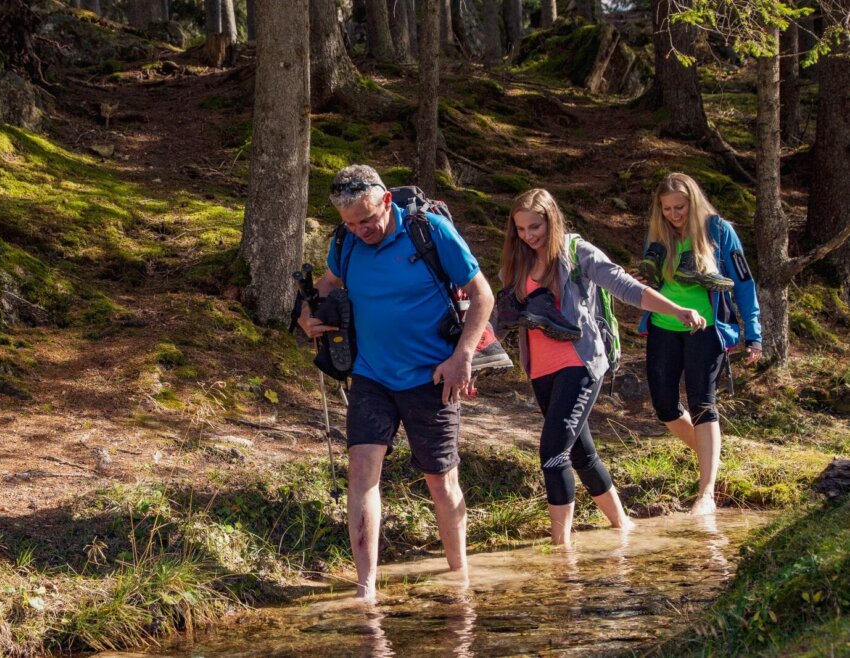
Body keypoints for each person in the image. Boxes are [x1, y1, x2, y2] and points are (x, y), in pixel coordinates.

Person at [297, 164, 497, 601]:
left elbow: (482, 293)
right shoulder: (345, 242)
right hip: (370, 376)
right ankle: (365, 587)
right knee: (362, 470)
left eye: (367, 220)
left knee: (440, 479)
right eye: (350, 223)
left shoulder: (431, 232)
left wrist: (462, 357)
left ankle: (459, 576)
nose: (361, 230)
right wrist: (309, 315)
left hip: (432, 376)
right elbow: (327, 285)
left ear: (386, 201)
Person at [494, 188, 706, 546]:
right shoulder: (516, 265)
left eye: (536, 227)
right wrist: (468, 359)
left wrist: (676, 310)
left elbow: (627, 287)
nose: (529, 236)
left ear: (552, 219)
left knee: (552, 452)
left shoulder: (578, 252)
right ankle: (623, 527)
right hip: (541, 369)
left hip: (580, 363)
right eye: (521, 229)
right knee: (580, 452)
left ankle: (561, 548)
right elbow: (499, 319)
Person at [637, 172, 762, 515]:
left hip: (706, 329)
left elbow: (744, 283)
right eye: (667, 209)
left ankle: (706, 493)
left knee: (702, 402)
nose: (674, 215)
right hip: (663, 325)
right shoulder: (658, 234)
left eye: (680, 207)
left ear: (693, 202)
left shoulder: (719, 230)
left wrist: (754, 333)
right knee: (664, 405)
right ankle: (714, 461)